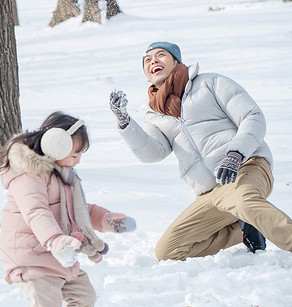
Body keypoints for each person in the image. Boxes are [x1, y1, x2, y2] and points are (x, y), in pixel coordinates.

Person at [110, 41, 292, 261]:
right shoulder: (154, 115)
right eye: (147, 60)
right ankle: (243, 227)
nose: (153, 61)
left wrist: (236, 154)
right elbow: (152, 152)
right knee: (167, 252)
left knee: (243, 201)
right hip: (209, 193)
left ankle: (263, 224)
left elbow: (252, 117)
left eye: (160, 55)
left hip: (246, 167)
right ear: (147, 76)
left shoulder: (210, 83)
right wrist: (125, 122)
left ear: (177, 62)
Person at [0, 112, 136, 307]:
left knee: (84, 297)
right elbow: (37, 212)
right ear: (55, 143)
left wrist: (106, 219)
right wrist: (56, 241)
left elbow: (79, 210)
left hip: (60, 254)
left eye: (82, 152)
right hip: (31, 254)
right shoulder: (28, 174)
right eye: (75, 151)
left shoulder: (63, 175)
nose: (79, 158)